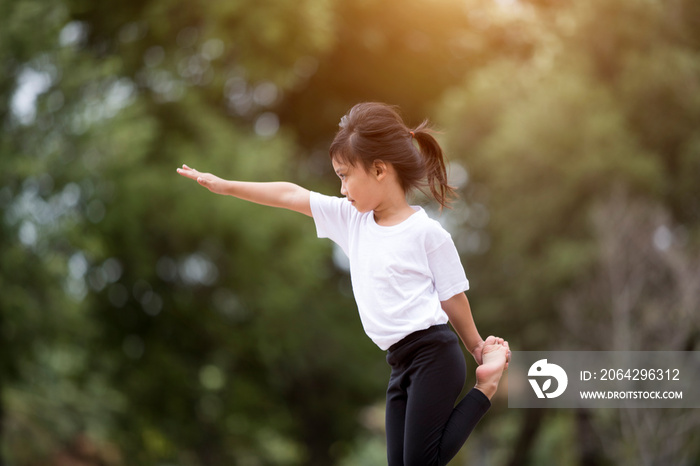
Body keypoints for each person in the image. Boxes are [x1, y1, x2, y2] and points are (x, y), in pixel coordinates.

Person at [177, 102, 510, 466]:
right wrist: (227, 187)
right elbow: (291, 195)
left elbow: (452, 297)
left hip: (434, 355)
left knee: (420, 463)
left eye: (345, 175)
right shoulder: (351, 221)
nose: (341, 188)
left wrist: (477, 347)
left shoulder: (427, 233)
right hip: (399, 363)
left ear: (380, 170)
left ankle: (485, 388)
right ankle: (483, 386)